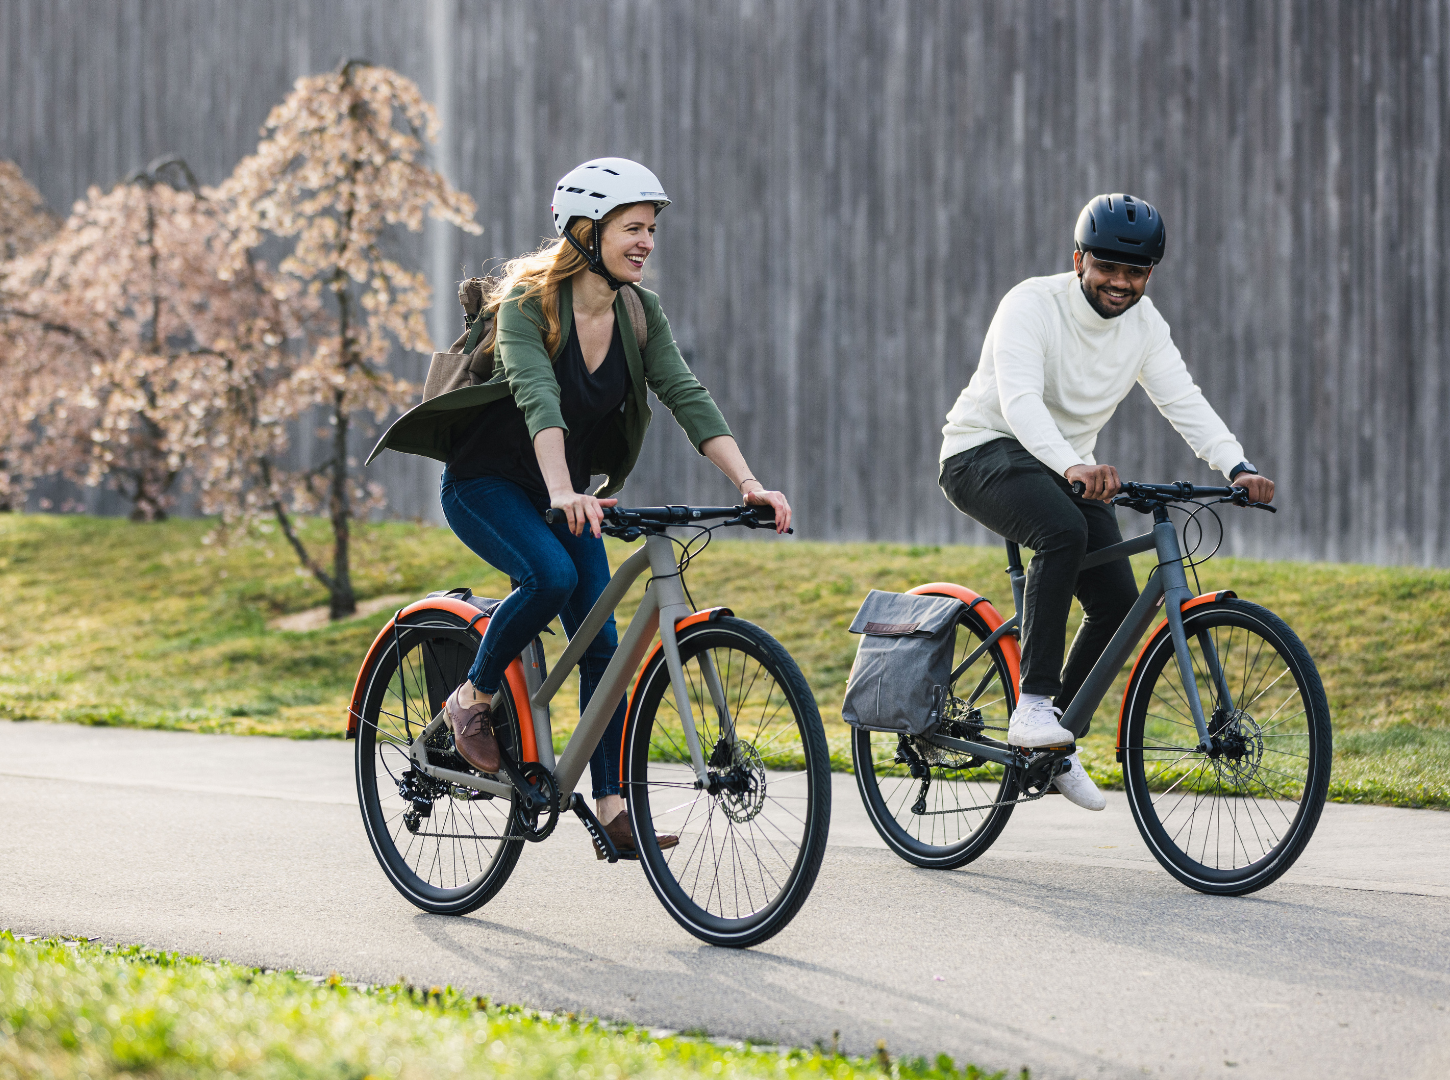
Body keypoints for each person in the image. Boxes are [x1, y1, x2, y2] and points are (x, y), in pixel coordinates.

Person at [377, 157, 791, 856]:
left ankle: (608, 804)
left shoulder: (638, 312)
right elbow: (538, 399)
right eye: (632, 227)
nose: (646, 242)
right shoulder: (526, 305)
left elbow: (686, 395)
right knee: (551, 578)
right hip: (487, 485)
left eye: (651, 229)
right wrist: (565, 490)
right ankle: (471, 701)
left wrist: (749, 482)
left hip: (567, 494)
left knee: (602, 643)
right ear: (583, 231)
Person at [937, 193, 1274, 811]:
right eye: (1107, 267)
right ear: (1078, 261)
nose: (1120, 282)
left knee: (1120, 601)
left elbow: (1183, 400)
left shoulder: (1145, 328)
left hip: (1069, 466)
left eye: (1136, 271)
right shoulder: (1030, 304)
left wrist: (1237, 463)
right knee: (1062, 531)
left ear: (1150, 273)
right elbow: (1020, 402)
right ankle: (1033, 707)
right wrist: (1072, 464)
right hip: (983, 452)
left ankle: (1053, 742)